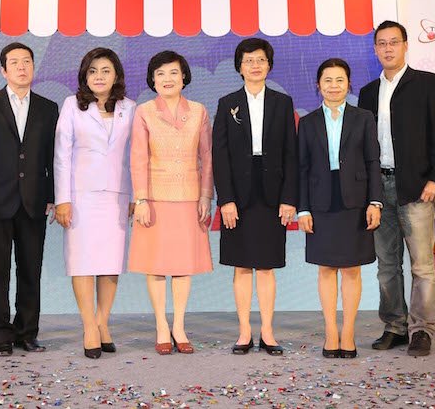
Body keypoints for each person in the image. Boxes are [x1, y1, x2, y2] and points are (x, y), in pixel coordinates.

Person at [358, 20, 435, 357]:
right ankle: (395, 326)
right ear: (375, 49)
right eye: (382, 43)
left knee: (422, 265)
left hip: (417, 187)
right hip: (378, 188)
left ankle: (422, 330)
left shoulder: (429, 83)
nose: (388, 49)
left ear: (405, 45)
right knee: (387, 265)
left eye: (394, 42)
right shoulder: (368, 92)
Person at [0, 42, 59, 357]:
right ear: (3, 70)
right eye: (15, 62)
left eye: (27, 61)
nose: (22, 67)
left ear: (33, 67)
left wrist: (51, 195)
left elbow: (52, 156)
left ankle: (27, 332)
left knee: (30, 270)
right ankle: (0, 333)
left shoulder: (48, 108)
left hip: (34, 201)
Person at [212, 38, 297, 356]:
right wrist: (226, 200)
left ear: (269, 65)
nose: (255, 65)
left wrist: (289, 198)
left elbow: (291, 153)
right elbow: (219, 155)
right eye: (248, 60)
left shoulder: (282, 103)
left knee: (266, 266)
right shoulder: (227, 103)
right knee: (242, 266)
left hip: (273, 194)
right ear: (239, 67)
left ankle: (268, 332)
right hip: (239, 195)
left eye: (260, 59)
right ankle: (245, 332)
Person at [127, 50, 213, 355]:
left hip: (189, 197)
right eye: (160, 74)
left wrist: (206, 195)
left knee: (182, 266)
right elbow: (138, 158)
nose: (167, 79)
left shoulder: (199, 111)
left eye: (174, 73)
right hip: (154, 198)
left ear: (184, 77)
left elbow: (207, 157)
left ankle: (179, 326)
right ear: (152, 80)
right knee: (156, 265)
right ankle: (161, 326)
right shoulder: (145, 111)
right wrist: (141, 199)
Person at [297, 58, 382, 359]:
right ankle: (331, 332)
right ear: (318, 85)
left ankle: (348, 333)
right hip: (320, 201)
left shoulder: (364, 118)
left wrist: (375, 201)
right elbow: (301, 168)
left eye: (340, 80)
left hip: (355, 201)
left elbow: (373, 161)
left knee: (351, 268)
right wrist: (303, 209)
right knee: (326, 267)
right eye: (328, 80)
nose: (333, 86)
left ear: (348, 84)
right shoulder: (307, 122)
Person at [53, 47, 135, 359]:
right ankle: (89, 326)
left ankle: (102, 322)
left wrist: (135, 196)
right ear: (84, 76)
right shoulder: (72, 106)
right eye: (93, 71)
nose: (99, 76)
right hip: (81, 197)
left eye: (105, 70)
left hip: (117, 196)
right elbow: (62, 155)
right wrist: (62, 199)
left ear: (116, 76)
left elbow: (135, 156)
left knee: (110, 262)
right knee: (83, 261)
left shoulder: (130, 108)